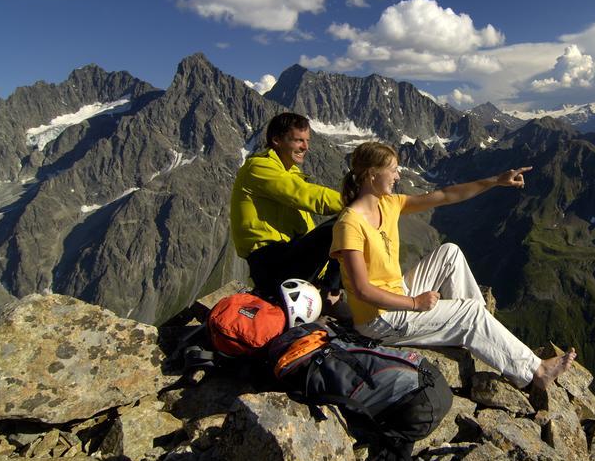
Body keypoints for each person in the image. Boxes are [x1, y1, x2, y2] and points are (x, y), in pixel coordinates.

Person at [330, 141, 576, 390]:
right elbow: (362, 290)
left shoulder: (388, 204)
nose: (398, 175)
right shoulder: (349, 224)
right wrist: (416, 303)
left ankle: (478, 332)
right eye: (393, 170)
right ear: (372, 174)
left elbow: (446, 195)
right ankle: (537, 370)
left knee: (450, 253)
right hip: (379, 319)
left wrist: (495, 181)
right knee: (469, 313)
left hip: (396, 294)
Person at [230, 112, 344, 300]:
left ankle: (333, 289)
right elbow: (307, 195)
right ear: (276, 140)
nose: (306, 147)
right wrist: (356, 202)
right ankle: (330, 294)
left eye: (307, 140)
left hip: (287, 259)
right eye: (299, 140)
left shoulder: (290, 172)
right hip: (271, 263)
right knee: (342, 223)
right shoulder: (259, 167)